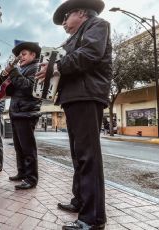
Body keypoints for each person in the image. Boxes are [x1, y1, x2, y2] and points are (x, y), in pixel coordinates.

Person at [36, 0, 111, 229]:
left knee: (88, 157)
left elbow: (90, 54)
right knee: (79, 156)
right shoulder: (70, 39)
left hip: (87, 95)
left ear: (80, 13)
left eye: (66, 18)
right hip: (74, 97)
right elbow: (62, 60)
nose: (64, 25)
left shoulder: (98, 24)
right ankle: (80, 201)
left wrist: (55, 68)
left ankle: (93, 218)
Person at [2, 40, 42, 190]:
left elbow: (27, 87)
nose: (21, 57)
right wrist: (7, 77)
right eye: (19, 55)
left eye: (23, 54)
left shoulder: (36, 67)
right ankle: (22, 173)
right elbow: (11, 90)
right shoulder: (22, 69)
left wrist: (13, 71)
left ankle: (31, 178)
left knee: (28, 148)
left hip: (27, 112)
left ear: (33, 54)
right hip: (17, 112)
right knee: (19, 147)